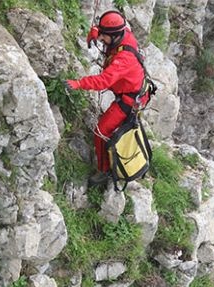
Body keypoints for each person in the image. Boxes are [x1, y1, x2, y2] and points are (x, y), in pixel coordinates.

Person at [64, 10, 151, 187]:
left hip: (129, 100)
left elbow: (104, 80)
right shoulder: (122, 33)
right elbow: (105, 30)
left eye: (104, 37)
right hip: (132, 92)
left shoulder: (124, 59)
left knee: (101, 131)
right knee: (107, 129)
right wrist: (95, 33)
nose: (102, 39)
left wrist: (79, 83)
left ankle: (105, 172)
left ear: (114, 36)